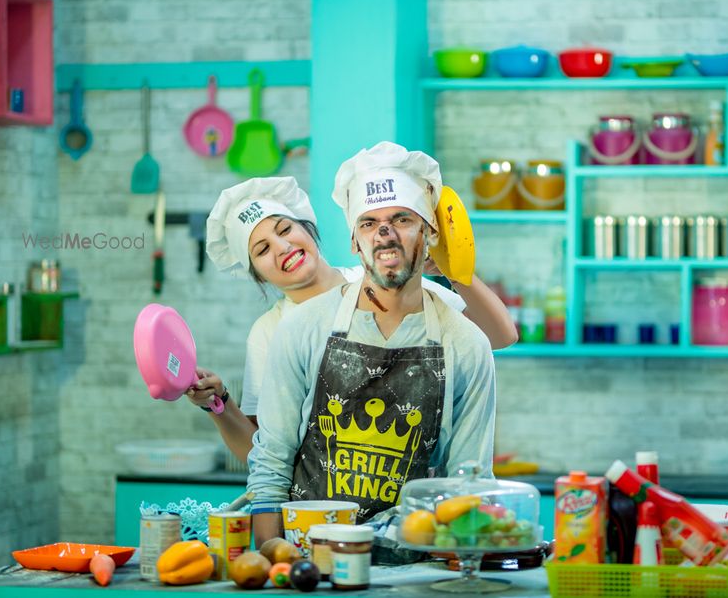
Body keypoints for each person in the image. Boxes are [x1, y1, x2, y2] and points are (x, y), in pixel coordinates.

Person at [247, 141, 498, 544]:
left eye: (402, 219)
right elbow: (271, 464)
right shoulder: (302, 329)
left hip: (417, 565)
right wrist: (270, 558)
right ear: (354, 242)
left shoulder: (466, 344)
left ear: (430, 232)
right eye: (369, 223)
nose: (385, 235)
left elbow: (468, 485)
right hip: (309, 563)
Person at [187, 176, 515, 463]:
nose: (283, 246)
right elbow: (263, 452)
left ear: (307, 227)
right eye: (261, 249)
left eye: (285, 229)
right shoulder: (271, 332)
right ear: (256, 273)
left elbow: (499, 336)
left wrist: (453, 273)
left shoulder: (381, 279)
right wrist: (220, 403)